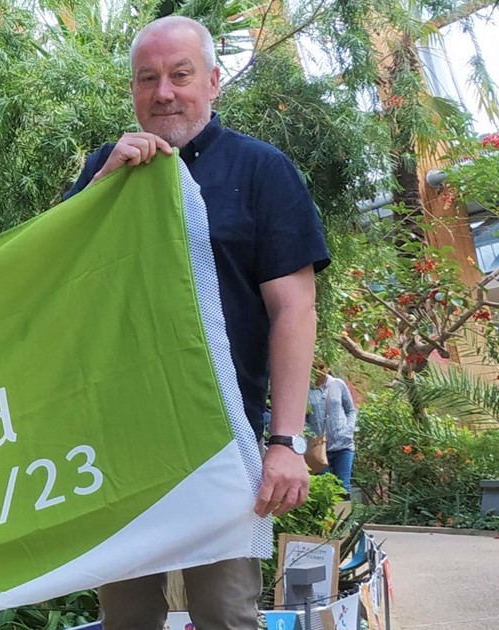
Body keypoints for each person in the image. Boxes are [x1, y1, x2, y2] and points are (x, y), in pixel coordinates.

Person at [63, 16, 330, 630]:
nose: (164, 92)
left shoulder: (262, 171)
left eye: (180, 76)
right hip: (123, 444)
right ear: (132, 92)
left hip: (223, 440)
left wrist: (285, 443)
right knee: (126, 618)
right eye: (148, 79)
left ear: (212, 81)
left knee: (224, 613)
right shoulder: (106, 168)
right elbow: (64, 287)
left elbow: (294, 310)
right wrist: (102, 187)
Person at [307, 360, 357, 494]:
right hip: (319, 449)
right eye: (314, 367)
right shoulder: (305, 390)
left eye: (321, 366)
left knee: (343, 488)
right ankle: (327, 516)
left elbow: (351, 410)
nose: (318, 370)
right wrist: (311, 436)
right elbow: (302, 419)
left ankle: (344, 515)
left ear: (328, 368)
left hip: (343, 446)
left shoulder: (338, 384)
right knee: (325, 489)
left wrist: (348, 430)